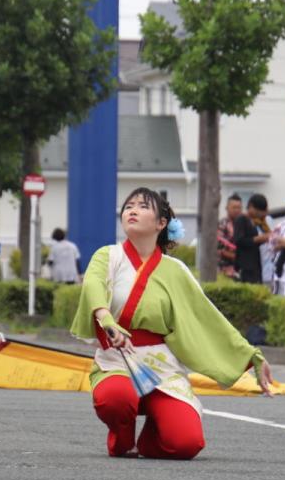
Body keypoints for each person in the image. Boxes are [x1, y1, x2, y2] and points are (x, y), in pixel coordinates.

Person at [71, 187, 274, 459]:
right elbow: (93, 285)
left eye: (142, 206)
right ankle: (122, 437)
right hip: (116, 358)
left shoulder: (176, 270)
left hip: (160, 365)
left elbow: (207, 317)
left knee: (186, 444)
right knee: (116, 399)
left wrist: (252, 355)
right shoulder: (107, 256)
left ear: (161, 223)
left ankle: (150, 438)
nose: (132, 210)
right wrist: (105, 318)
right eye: (128, 206)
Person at [232, 193, 269, 284]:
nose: (260, 214)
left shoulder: (257, 222)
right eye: (258, 211)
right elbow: (239, 240)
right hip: (245, 265)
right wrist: (258, 239)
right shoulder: (241, 219)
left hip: (256, 264)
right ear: (251, 207)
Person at [216, 194, 241, 278]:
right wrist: (238, 257)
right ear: (227, 208)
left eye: (239, 207)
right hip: (224, 271)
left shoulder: (243, 224)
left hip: (240, 271)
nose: (237, 210)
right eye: (234, 207)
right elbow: (219, 249)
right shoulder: (222, 224)